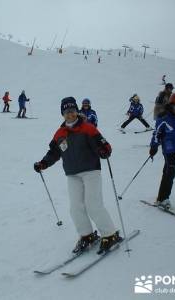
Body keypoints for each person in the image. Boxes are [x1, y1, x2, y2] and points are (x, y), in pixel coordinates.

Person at [34, 97, 121, 254]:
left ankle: (110, 234)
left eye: (73, 111)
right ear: (63, 114)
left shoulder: (88, 128)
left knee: (93, 205)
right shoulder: (60, 133)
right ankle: (87, 235)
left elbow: (104, 145)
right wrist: (43, 163)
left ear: (77, 111)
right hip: (72, 174)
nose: (70, 114)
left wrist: (104, 150)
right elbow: (54, 152)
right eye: (67, 112)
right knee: (75, 208)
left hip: (91, 171)